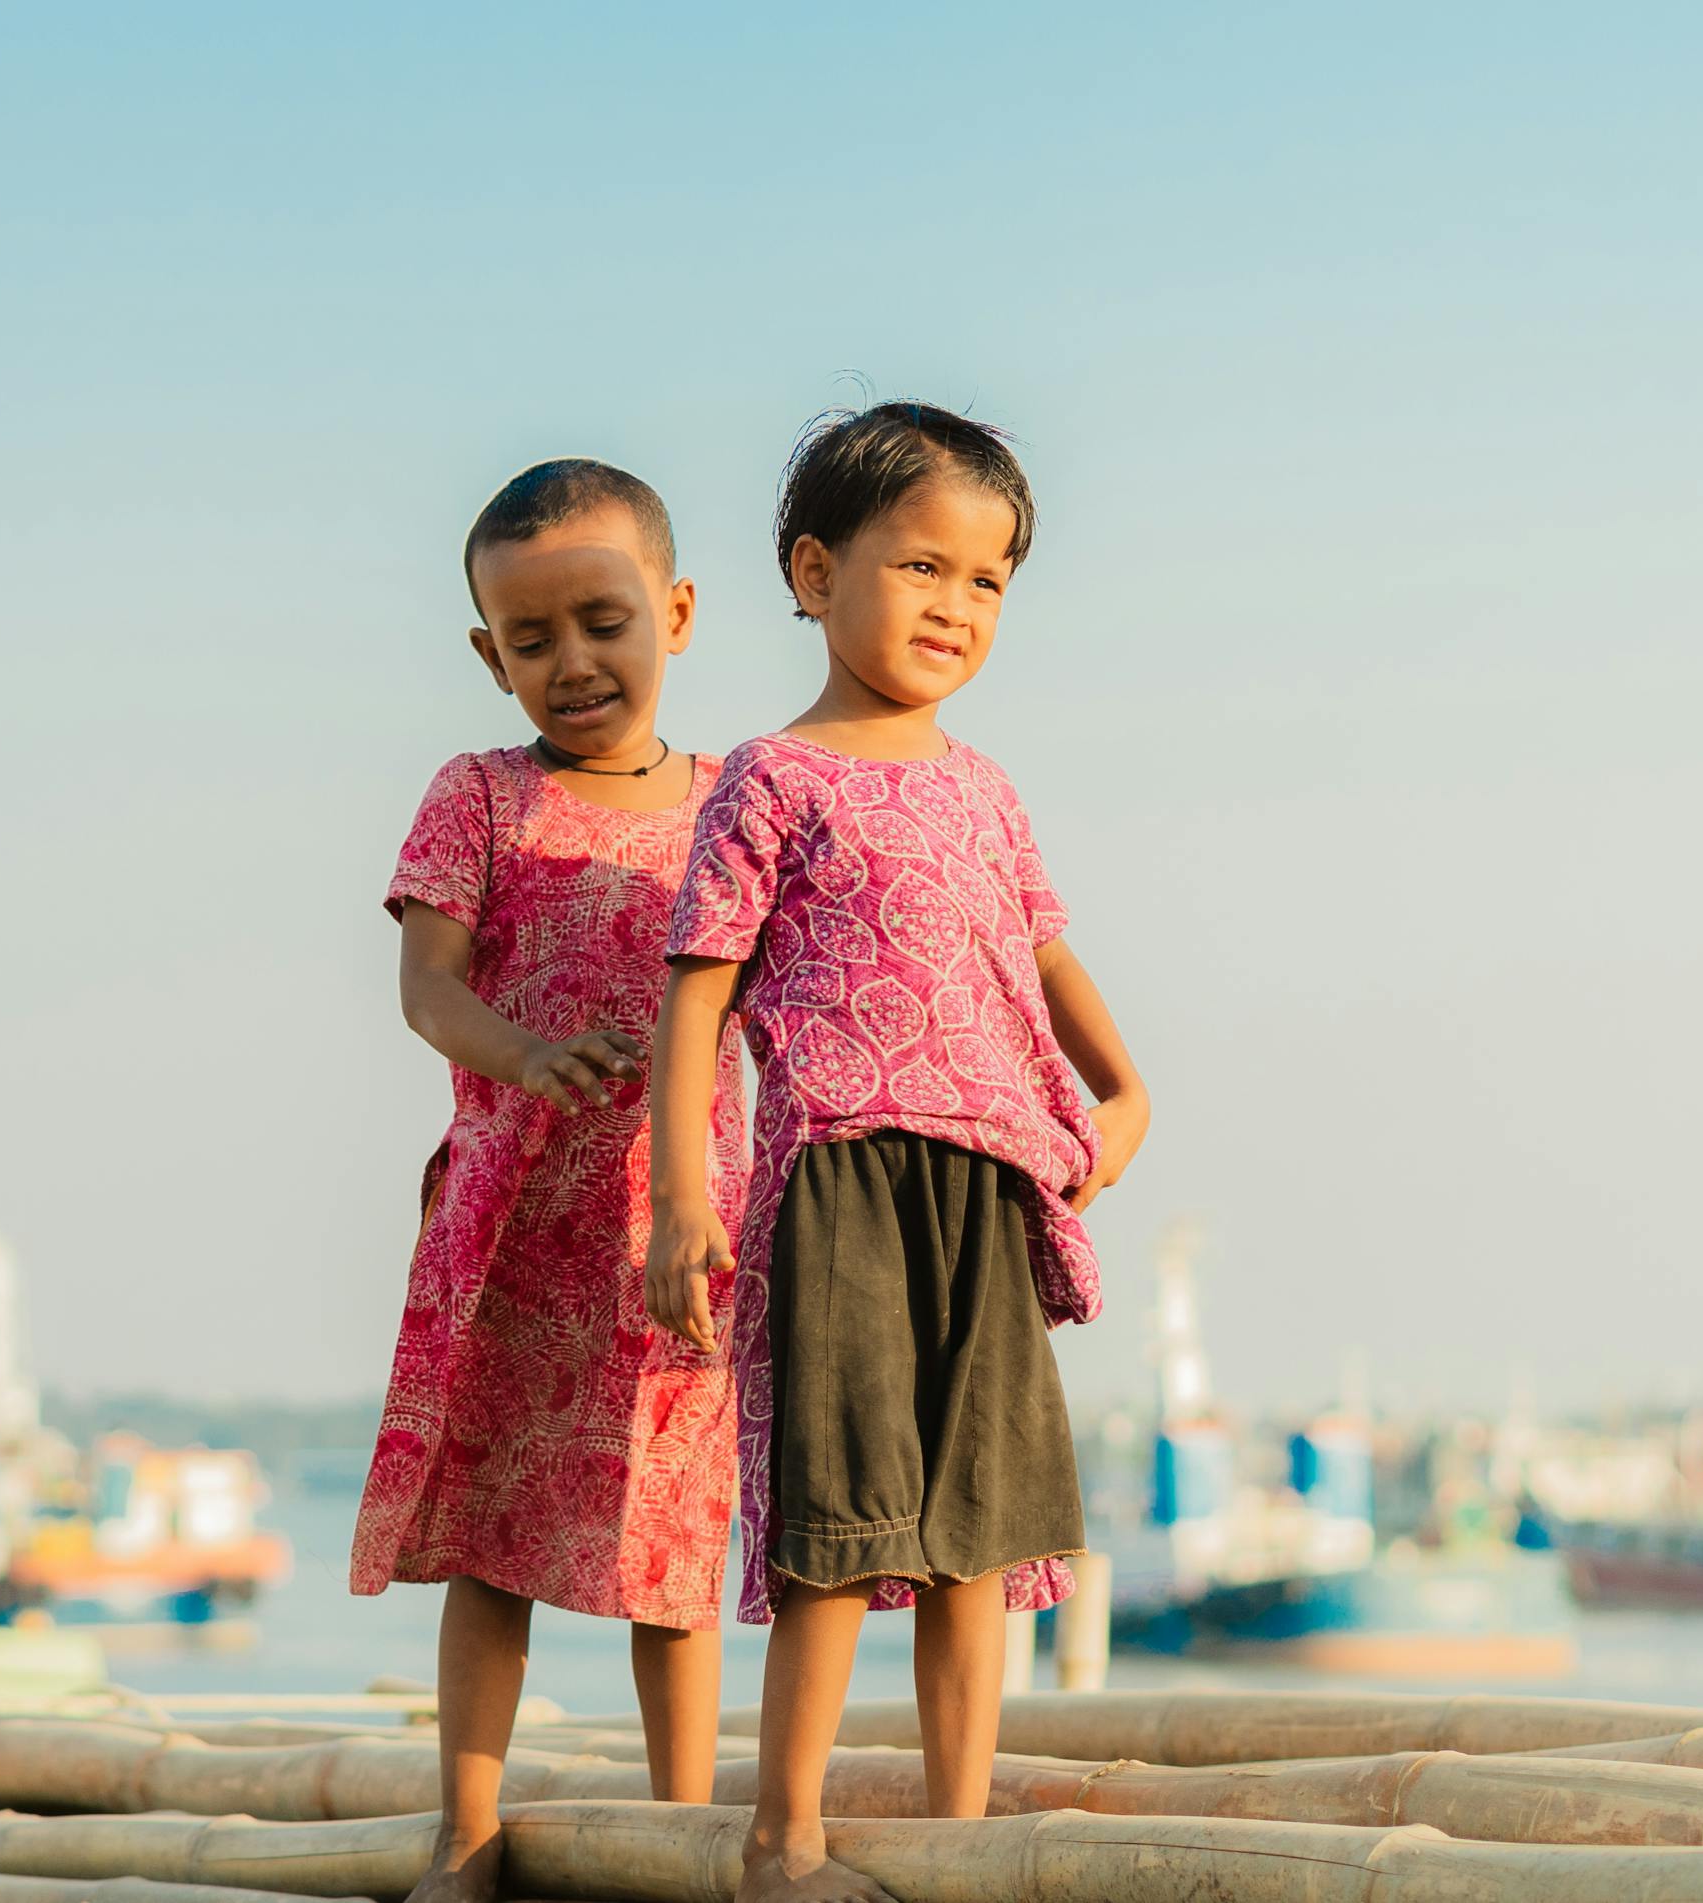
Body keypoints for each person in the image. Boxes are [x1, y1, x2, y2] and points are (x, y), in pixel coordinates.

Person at [646, 403, 1149, 1903]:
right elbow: (698, 997)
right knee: (842, 1524)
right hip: (842, 1181)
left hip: (989, 1181)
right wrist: (685, 1198)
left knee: (976, 1533)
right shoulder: (771, 780)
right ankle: (781, 1840)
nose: (955, 604)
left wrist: (1122, 1104)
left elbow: (1050, 968)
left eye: (987, 581)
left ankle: (962, 1834)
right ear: (811, 571)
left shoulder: (987, 790)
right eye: (921, 565)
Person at [351, 459, 748, 1903]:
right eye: (533, 641)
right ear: (489, 656)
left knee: (676, 1535)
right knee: (493, 1542)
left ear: (679, 613)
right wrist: (521, 1058)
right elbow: (426, 989)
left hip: (684, 1221)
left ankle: (692, 1827)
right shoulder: (480, 796)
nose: (573, 662)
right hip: (514, 1219)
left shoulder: (735, 801)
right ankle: (465, 1832)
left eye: (603, 620)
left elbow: (789, 1003)